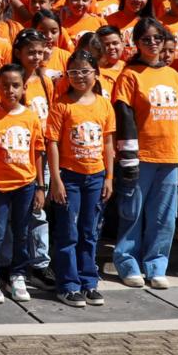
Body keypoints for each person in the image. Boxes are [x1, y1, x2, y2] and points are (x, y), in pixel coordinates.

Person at [110, 17, 178, 289]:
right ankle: (127, 262)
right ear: (136, 43)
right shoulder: (130, 75)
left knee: (164, 217)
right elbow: (124, 117)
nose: (153, 43)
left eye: (158, 38)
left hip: (169, 157)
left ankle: (156, 265)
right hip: (141, 157)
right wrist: (128, 157)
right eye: (146, 39)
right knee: (133, 212)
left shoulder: (176, 77)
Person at [45, 51, 115, 307]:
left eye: (85, 71)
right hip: (70, 176)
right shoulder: (61, 105)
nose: (80, 76)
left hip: (96, 176)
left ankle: (89, 281)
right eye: (73, 72)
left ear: (96, 73)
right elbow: (52, 143)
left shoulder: (104, 105)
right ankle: (68, 284)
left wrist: (109, 177)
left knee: (89, 231)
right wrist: (56, 180)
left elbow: (108, 143)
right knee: (68, 231)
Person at [0, 64, 46, 303]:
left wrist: (40, 186)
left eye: (15, 85)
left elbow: (37, 151)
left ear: (24, 87)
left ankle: (18, 274)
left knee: (22, 232)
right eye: (5, 85)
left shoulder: (30, 116)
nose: (10, 90)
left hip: (25, 184)